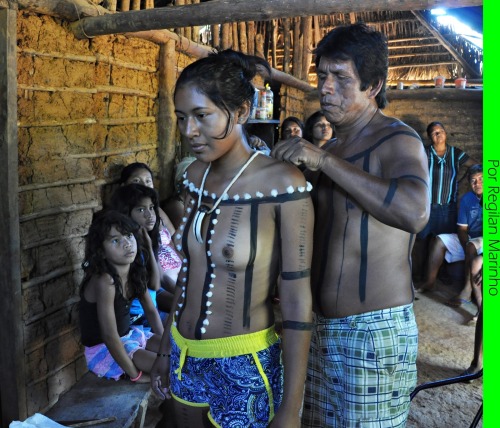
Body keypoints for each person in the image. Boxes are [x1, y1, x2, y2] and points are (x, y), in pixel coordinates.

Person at [272, 23, 430, 427]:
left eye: (341, 78)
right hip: (319, 329)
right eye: (322, 76)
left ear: (373, 85)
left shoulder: (397, 140)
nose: (326, 88)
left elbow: (415, 211)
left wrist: (323, 162)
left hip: (373, 334)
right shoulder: (333, 148)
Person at [150, 49, 314, 428]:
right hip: (184, 353)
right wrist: (164, 351)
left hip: (245, 364)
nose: (189, 131)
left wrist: (291, 409)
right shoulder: (194, 177)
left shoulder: (283, 185)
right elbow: (190, 273)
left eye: (202, 115)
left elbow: (296, 299)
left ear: (240, 112)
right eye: (181, 118)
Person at [79, 210, 164, 383]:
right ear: (101, 251)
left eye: (129, 236)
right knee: (168, 368)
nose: (127, 244)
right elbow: (109, 335)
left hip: (129, 336)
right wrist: (136, 375)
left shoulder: (134, 270)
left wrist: (164, 346)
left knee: (177, 354)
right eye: (115, 240)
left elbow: (151, 310)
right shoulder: (105, 280)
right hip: (104, 350)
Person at [413, 121, 478, 279]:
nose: (438, 134)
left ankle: (440, 275)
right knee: (421, 241)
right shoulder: (424, 152)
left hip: (447, 209)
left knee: (443, 242)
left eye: (441, 131)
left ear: (445, 133)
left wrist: (461, 180)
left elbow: (475, 166)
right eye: (434, 133)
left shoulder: (455, 153)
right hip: (426, 206)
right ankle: (419, 274)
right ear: (430, 137)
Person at [110, 183, 182, 322]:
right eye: (141, 210)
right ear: (126, 213)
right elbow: (155, 285)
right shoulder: (128, 250)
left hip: (151, 308)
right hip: (137, 318)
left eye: (151, 208)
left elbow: (159, 282)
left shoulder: (148, 240)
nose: (150, 215)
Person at [416, 164, 483, 309]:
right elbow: (462, 229)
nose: (477, 184)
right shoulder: (467, 199)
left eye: (481, 178)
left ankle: (466, 291)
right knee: (439, 240)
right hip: (471, 237)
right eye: (473, 180)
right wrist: (466, 245)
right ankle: (430, 282)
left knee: (472, 246)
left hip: (488, 240)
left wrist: (470, 246)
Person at [119, 162, 176, 236]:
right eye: (136, 181)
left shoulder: (155, 210)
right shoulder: (120, 215)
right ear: (123, 186)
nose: (144, 185)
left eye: (148, 181)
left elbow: (174, 237)